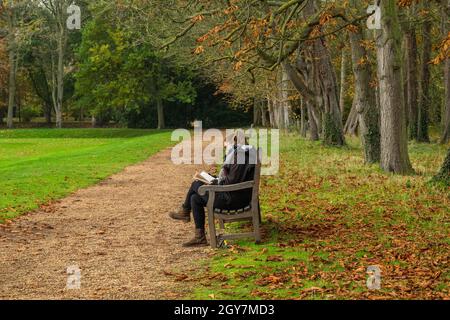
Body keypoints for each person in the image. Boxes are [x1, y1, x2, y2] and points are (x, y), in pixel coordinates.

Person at [169, 134, 256, 247]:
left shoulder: (239, 158)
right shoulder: (242, 155)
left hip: (232, 200)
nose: (226, 149)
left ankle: (185, 211)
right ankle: (199, 237)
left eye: (227, 146)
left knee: (196, 184)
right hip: (235, 195)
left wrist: (213, 182)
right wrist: (213, 178)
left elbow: (230, 183)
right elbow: (232, 179)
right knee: (195, 198)